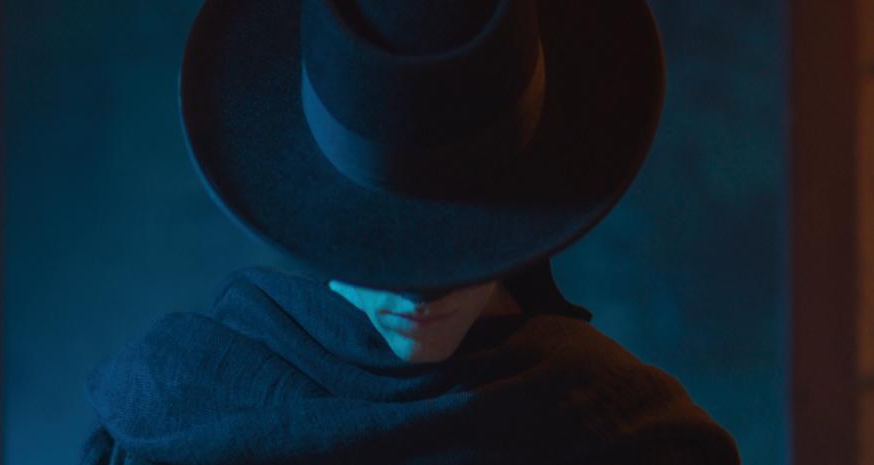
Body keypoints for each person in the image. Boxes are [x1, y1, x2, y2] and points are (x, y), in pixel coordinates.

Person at [81, 0, 742, 463]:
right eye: (388, 234)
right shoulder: (177, 412)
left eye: (451, 234)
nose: (419, 290)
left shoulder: (636, 438)